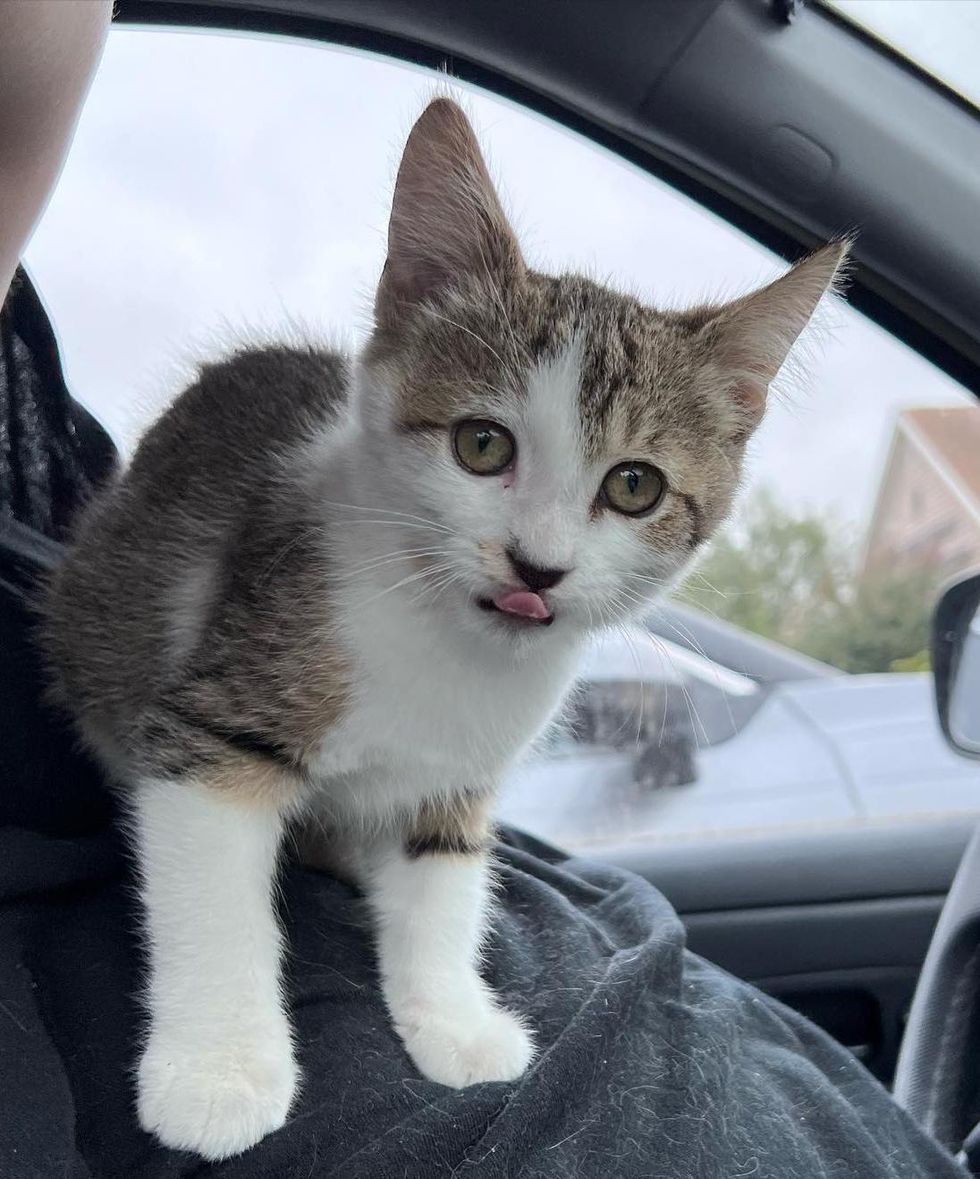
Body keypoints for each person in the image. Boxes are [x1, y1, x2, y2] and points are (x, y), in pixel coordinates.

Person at [0, 5, 968, 1176]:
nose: (544, 551)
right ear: (404, 311)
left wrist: (439, 996)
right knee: (250, 752)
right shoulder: (337, 554)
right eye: (480, 449)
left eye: (629, 489)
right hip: (150, 715)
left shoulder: (535, 613)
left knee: (445, 792)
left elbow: (451, 804)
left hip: (358, 795)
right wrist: (223, 1032)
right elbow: (207, 758)